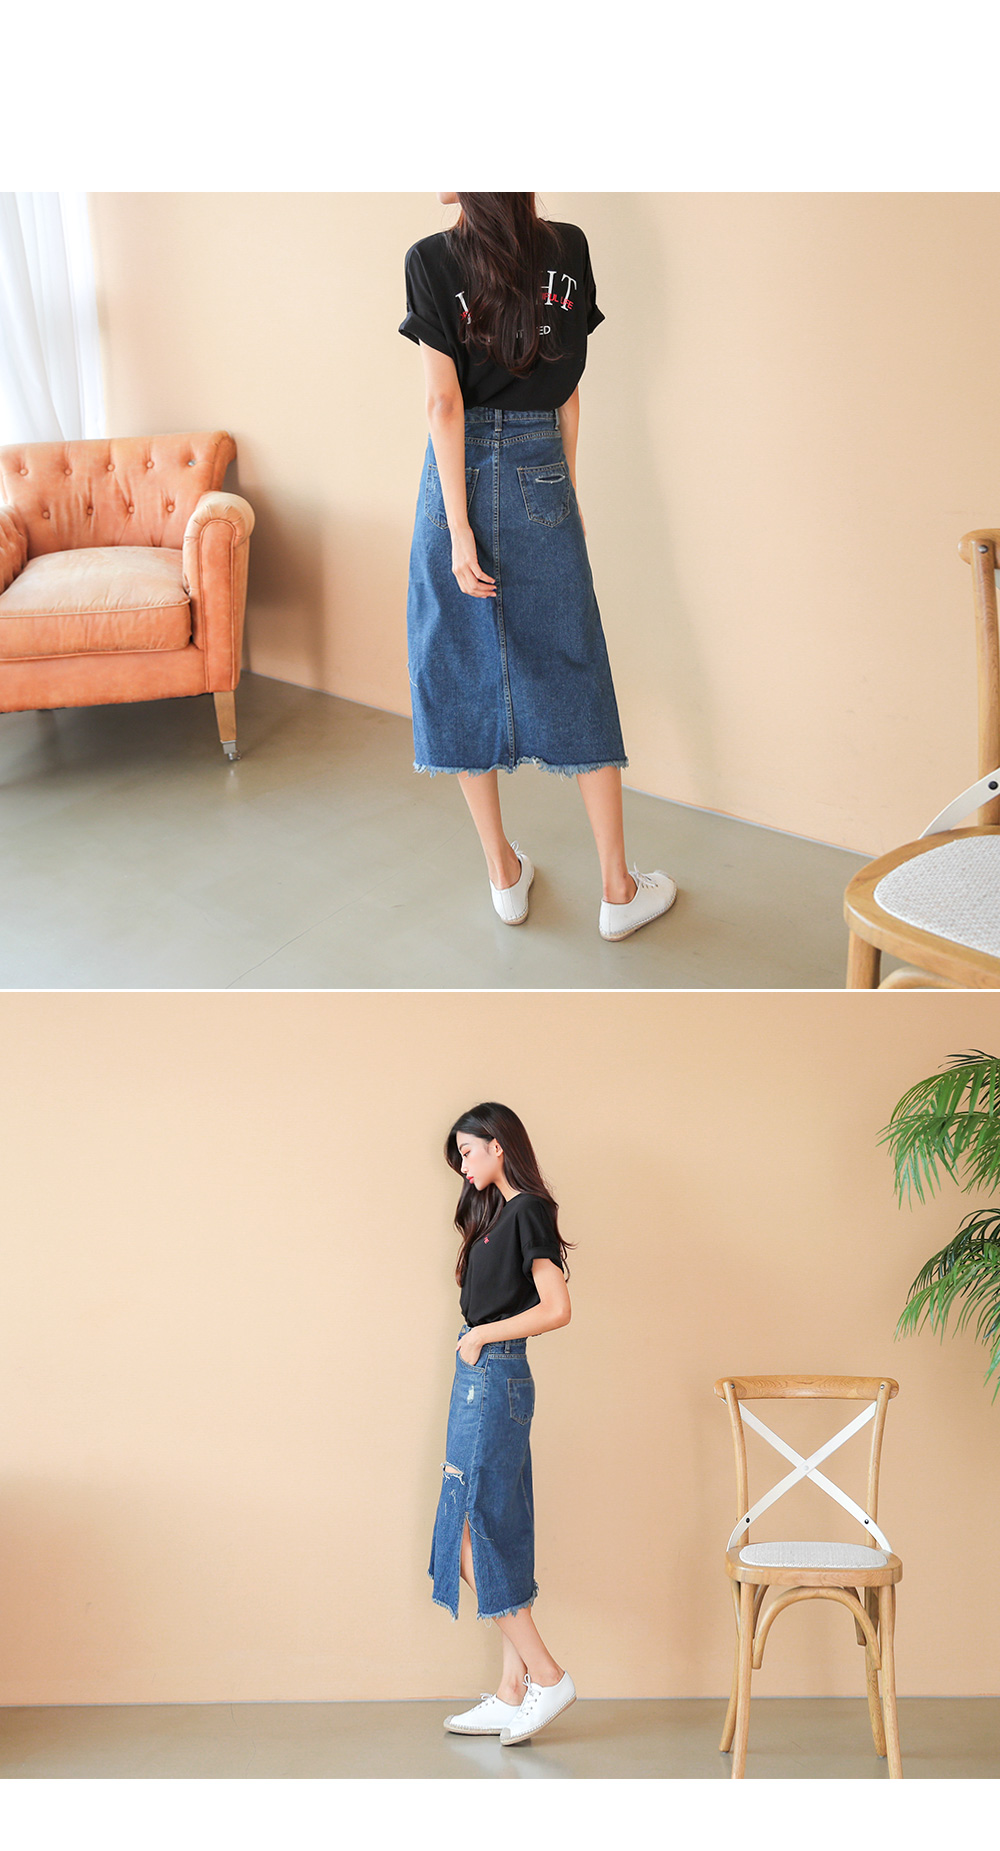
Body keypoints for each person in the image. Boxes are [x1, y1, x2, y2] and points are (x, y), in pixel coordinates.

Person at [400, 193, 676, 941]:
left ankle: (503, 874)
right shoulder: (568, 247)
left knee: (455, 660)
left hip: (454, 478)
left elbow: (444, 406)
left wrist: (459, 528)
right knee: (571, 659)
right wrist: (565, 490)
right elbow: (569, 389)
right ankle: (617, 888)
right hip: (540, 462)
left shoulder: (430, 259)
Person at [430, 1101, 574, 1747]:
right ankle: (513, 1688)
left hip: (494, 1374)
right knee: (500, 1527)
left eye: (468, 1151)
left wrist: (482, 1335)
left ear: (498, 1145)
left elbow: (557, 1308)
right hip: (484, 1377)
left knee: (473, 1527)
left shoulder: (529, 1211)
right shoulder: (496, 1216)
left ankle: (548, 1675)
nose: (463, 1165)